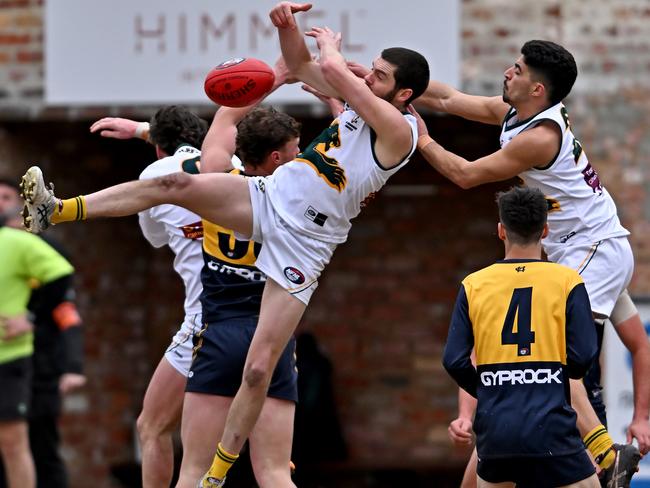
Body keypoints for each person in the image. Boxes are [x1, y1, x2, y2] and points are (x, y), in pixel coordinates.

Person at [19, 2, 430, 485]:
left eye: (380, 75)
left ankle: (216, 475)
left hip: (307, 242)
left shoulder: (401, 130)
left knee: (259, 369)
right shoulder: (363, 101)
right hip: (270, 198)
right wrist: (287, 28)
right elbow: (299, 67)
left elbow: (333, 71)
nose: (370, 77)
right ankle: (58, 209)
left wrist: (333, 50)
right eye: (372, 70)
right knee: (174, 185)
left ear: (404, 92)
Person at [411, 39, 648, 486]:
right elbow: (446, 98)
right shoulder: (519, 114)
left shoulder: (539, 137)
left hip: (592, 247)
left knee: (550, 354)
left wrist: (418, 137)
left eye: (516, 69)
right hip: (583, 249)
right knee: (542, 360)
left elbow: (465, 174)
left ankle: (602, 450)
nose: (507, 72)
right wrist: (394, 85)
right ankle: (589, 441)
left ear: (537, 89)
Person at [443, 186, 600, 488]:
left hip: (496, 434)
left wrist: (488, 389)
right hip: (552, 432)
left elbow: (453, 359)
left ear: (501, 231)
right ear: (545, 230)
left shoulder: (474, 284)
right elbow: (583, 355)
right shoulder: (567, 281)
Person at [0, 179, 85, 488]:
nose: (2, 203)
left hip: (40, 364)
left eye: (7, 196)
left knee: (40, 446)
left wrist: (73, 367)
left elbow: (67, 314)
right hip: (10, 358)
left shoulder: (46, 252)